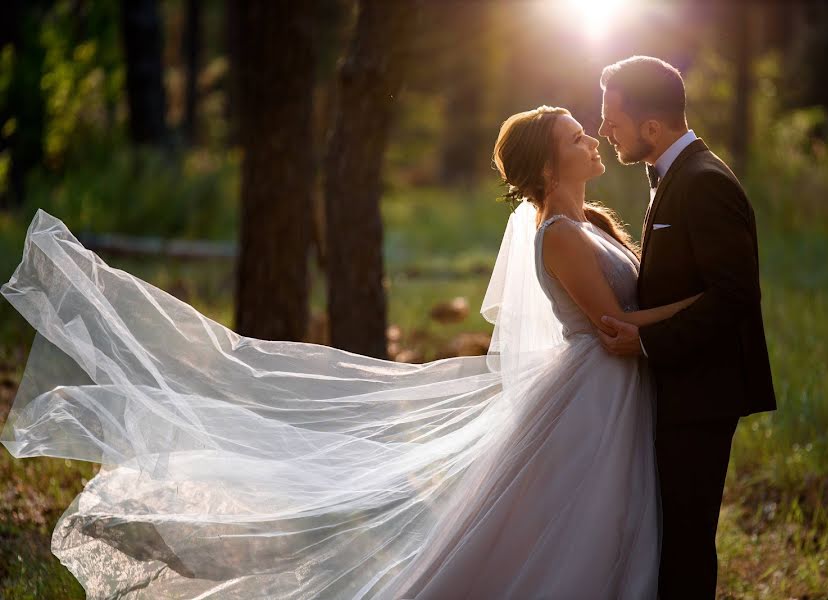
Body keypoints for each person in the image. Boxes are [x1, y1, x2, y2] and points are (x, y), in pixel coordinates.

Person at [1, 105, 692, 599]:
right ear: (548, 163)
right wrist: (705, 308)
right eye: (577, 136)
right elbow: (613, 329)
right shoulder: (558, 236)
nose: (592, 138)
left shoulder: (592, 221)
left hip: (608, 393)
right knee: (577, 525)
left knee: (597, 522)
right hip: (593, 392)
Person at [595, 56, 777, 599]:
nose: (604, 130)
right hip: (681, 388)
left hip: (703, 392)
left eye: (613, 119)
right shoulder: (677, 175)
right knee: (670, 533)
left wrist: (646, 341)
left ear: (652, 127)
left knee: (686, 539)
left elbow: (735, 296)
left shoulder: (704, 182)